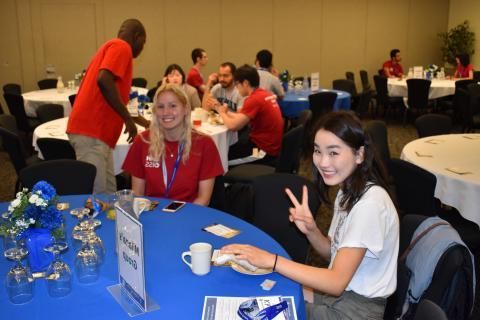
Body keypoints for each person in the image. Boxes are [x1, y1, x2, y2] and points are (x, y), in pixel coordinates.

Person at [222, 111, 399, 319]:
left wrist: (272, 260)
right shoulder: (348, 190)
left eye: (333, 152)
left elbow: (335, 282)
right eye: (318, 151)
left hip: (355, 310)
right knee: (265, 291)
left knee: (256, 312)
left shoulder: (369, 205)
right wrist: (312, 230)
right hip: (342, 296)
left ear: (359, 154)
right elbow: (334, 255)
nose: (323, 162)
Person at [66, 18, 147, 194]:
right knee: (98, 198)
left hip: (98, 135)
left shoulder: (112, 47)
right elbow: (103, 80)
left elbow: (115, 99)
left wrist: (146, 124)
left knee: (110, 195)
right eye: (144, 42)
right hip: (92, 133)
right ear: (137, 36)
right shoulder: (121, 46)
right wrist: (128, 120)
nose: (142, 48)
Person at [122, 84, 224, 205]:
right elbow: (137, 194)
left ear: (186, 108)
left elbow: (203, 199)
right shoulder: (143, 141)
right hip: (151, 213)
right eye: (160, 107)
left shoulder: (204, 144)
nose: (166, 112)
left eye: (173, 106)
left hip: (189, 213)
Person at [213, 64, 283, 165]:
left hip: (262, 151)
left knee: (220, 159)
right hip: (269, 145)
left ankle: (227, 180)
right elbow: (241, 117)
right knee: (227, 151)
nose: (236, 88)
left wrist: (221, 111)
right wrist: (226, 112)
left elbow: (233, 126)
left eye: (237, 84)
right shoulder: (263, 94)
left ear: (245, 83)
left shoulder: (254, 99)